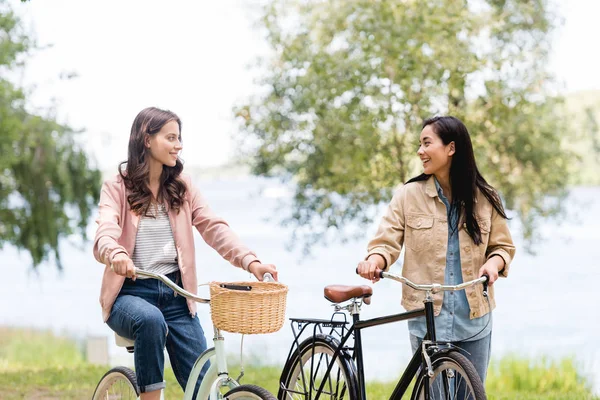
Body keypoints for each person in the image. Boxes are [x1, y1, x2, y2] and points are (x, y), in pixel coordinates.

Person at [93, 107, 278, 400]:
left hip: (178, 295)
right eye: (171, 137)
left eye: (180, 138)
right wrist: (116, 253)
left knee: (205, 387)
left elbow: (214, 228)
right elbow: (105, 231)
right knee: (151, 320)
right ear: (147, 139)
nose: (179, 145)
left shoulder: (182, 186)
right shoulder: (117, 187)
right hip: (131, 293)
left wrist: (250, 261)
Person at [356, 115, 515, 383]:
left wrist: (494, 263)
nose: (420, 151)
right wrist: (375, 260)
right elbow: (386, 241)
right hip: (427, 318)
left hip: (474, 319)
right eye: (419, 144)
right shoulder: (408, 195)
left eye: (427, 143)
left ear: (451, 148)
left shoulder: (486, 197)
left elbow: (503, 247)